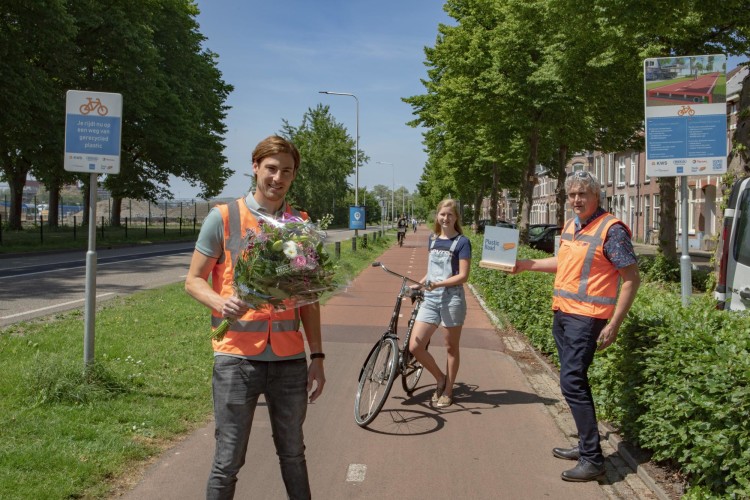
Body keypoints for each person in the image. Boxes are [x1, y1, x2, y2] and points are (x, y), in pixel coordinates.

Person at [185, 135, 325, 500]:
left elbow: (309, 300)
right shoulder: (224, 218)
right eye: (271, 169)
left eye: (287, 171)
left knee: (293, 454)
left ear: (294, 176)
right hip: (235, 357)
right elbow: (193, 281)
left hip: (289, 359)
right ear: (256, 167)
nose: (278, 178)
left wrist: (318, 357)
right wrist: (219, 300)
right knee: (228, 459)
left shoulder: (302, 226)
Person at [513, 170, 640, 482]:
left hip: (588, 317)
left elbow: (631, 279)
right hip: (564, 314)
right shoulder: (572, 225)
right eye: (571, 195)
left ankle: (594, 460)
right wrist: (524, 265)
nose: (576, 199)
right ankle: (585, 447)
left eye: (582, 193)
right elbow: (563, 263)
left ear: (596, 195)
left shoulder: (611, 230)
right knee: (572, 381)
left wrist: (615, 323)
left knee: (572, 382)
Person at [409, 199, 472, 408]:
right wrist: (418, 285)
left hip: (451, 298)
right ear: (437, 216)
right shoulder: (433, 239)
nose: (446, 218)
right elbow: (431, 271)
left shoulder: (462, 242)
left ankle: (448, 390)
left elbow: (463, 276)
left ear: (456, 218)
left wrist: (438, 284)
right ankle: (440, 377)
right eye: (443, 214)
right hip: (431, 297)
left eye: (450, 215)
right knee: (415, 345)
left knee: (451, 347)